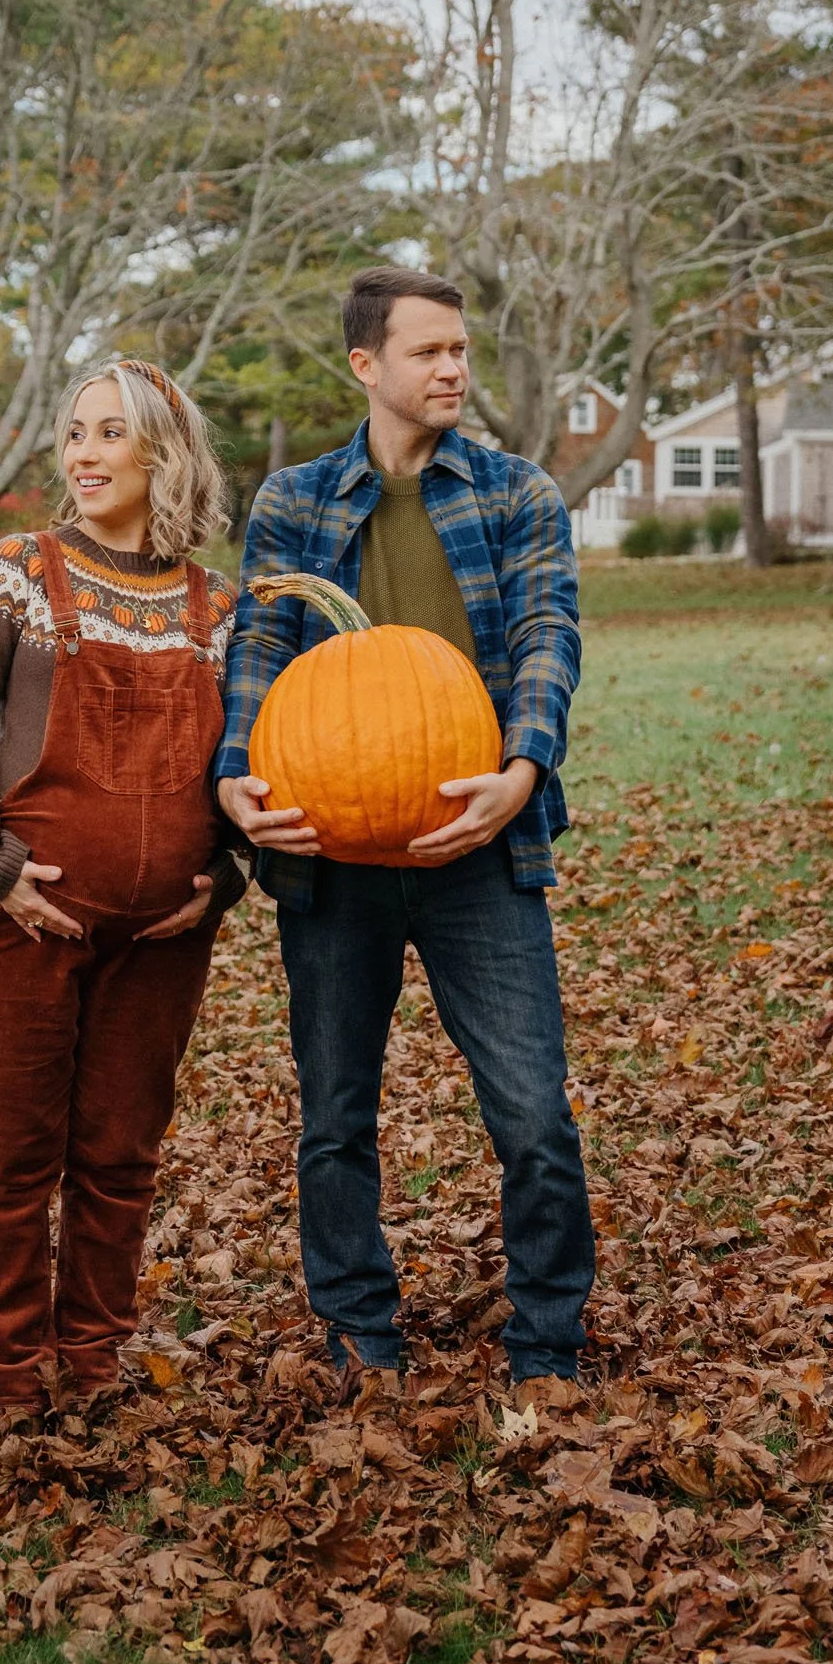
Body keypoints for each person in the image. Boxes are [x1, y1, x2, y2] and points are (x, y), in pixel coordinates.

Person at [217, 266, 593, 1397]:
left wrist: (521, 768)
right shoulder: (293, 499)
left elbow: (546, 634)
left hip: (476, 845)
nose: (452, 369)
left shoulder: (516, 492)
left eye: (460, 350)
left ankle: (545, 1343)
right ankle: (357, 1331)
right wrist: (235, 778)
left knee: (531, 1114)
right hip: (328, 850)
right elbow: (256, 650)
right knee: (334, 1116)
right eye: (428, 352)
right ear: (364, 366)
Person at [0, 359, 245, 1423]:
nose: (85, 452)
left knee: (118, 1152)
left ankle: (94, 1355)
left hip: (161, 936)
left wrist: (226, 878)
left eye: (111, 432)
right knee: (12, 1155)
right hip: (15, 922)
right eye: (74, 434)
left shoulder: (217, 607)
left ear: (167, 451)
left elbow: (251, 763)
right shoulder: (20, 568)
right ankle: (12, 1373)